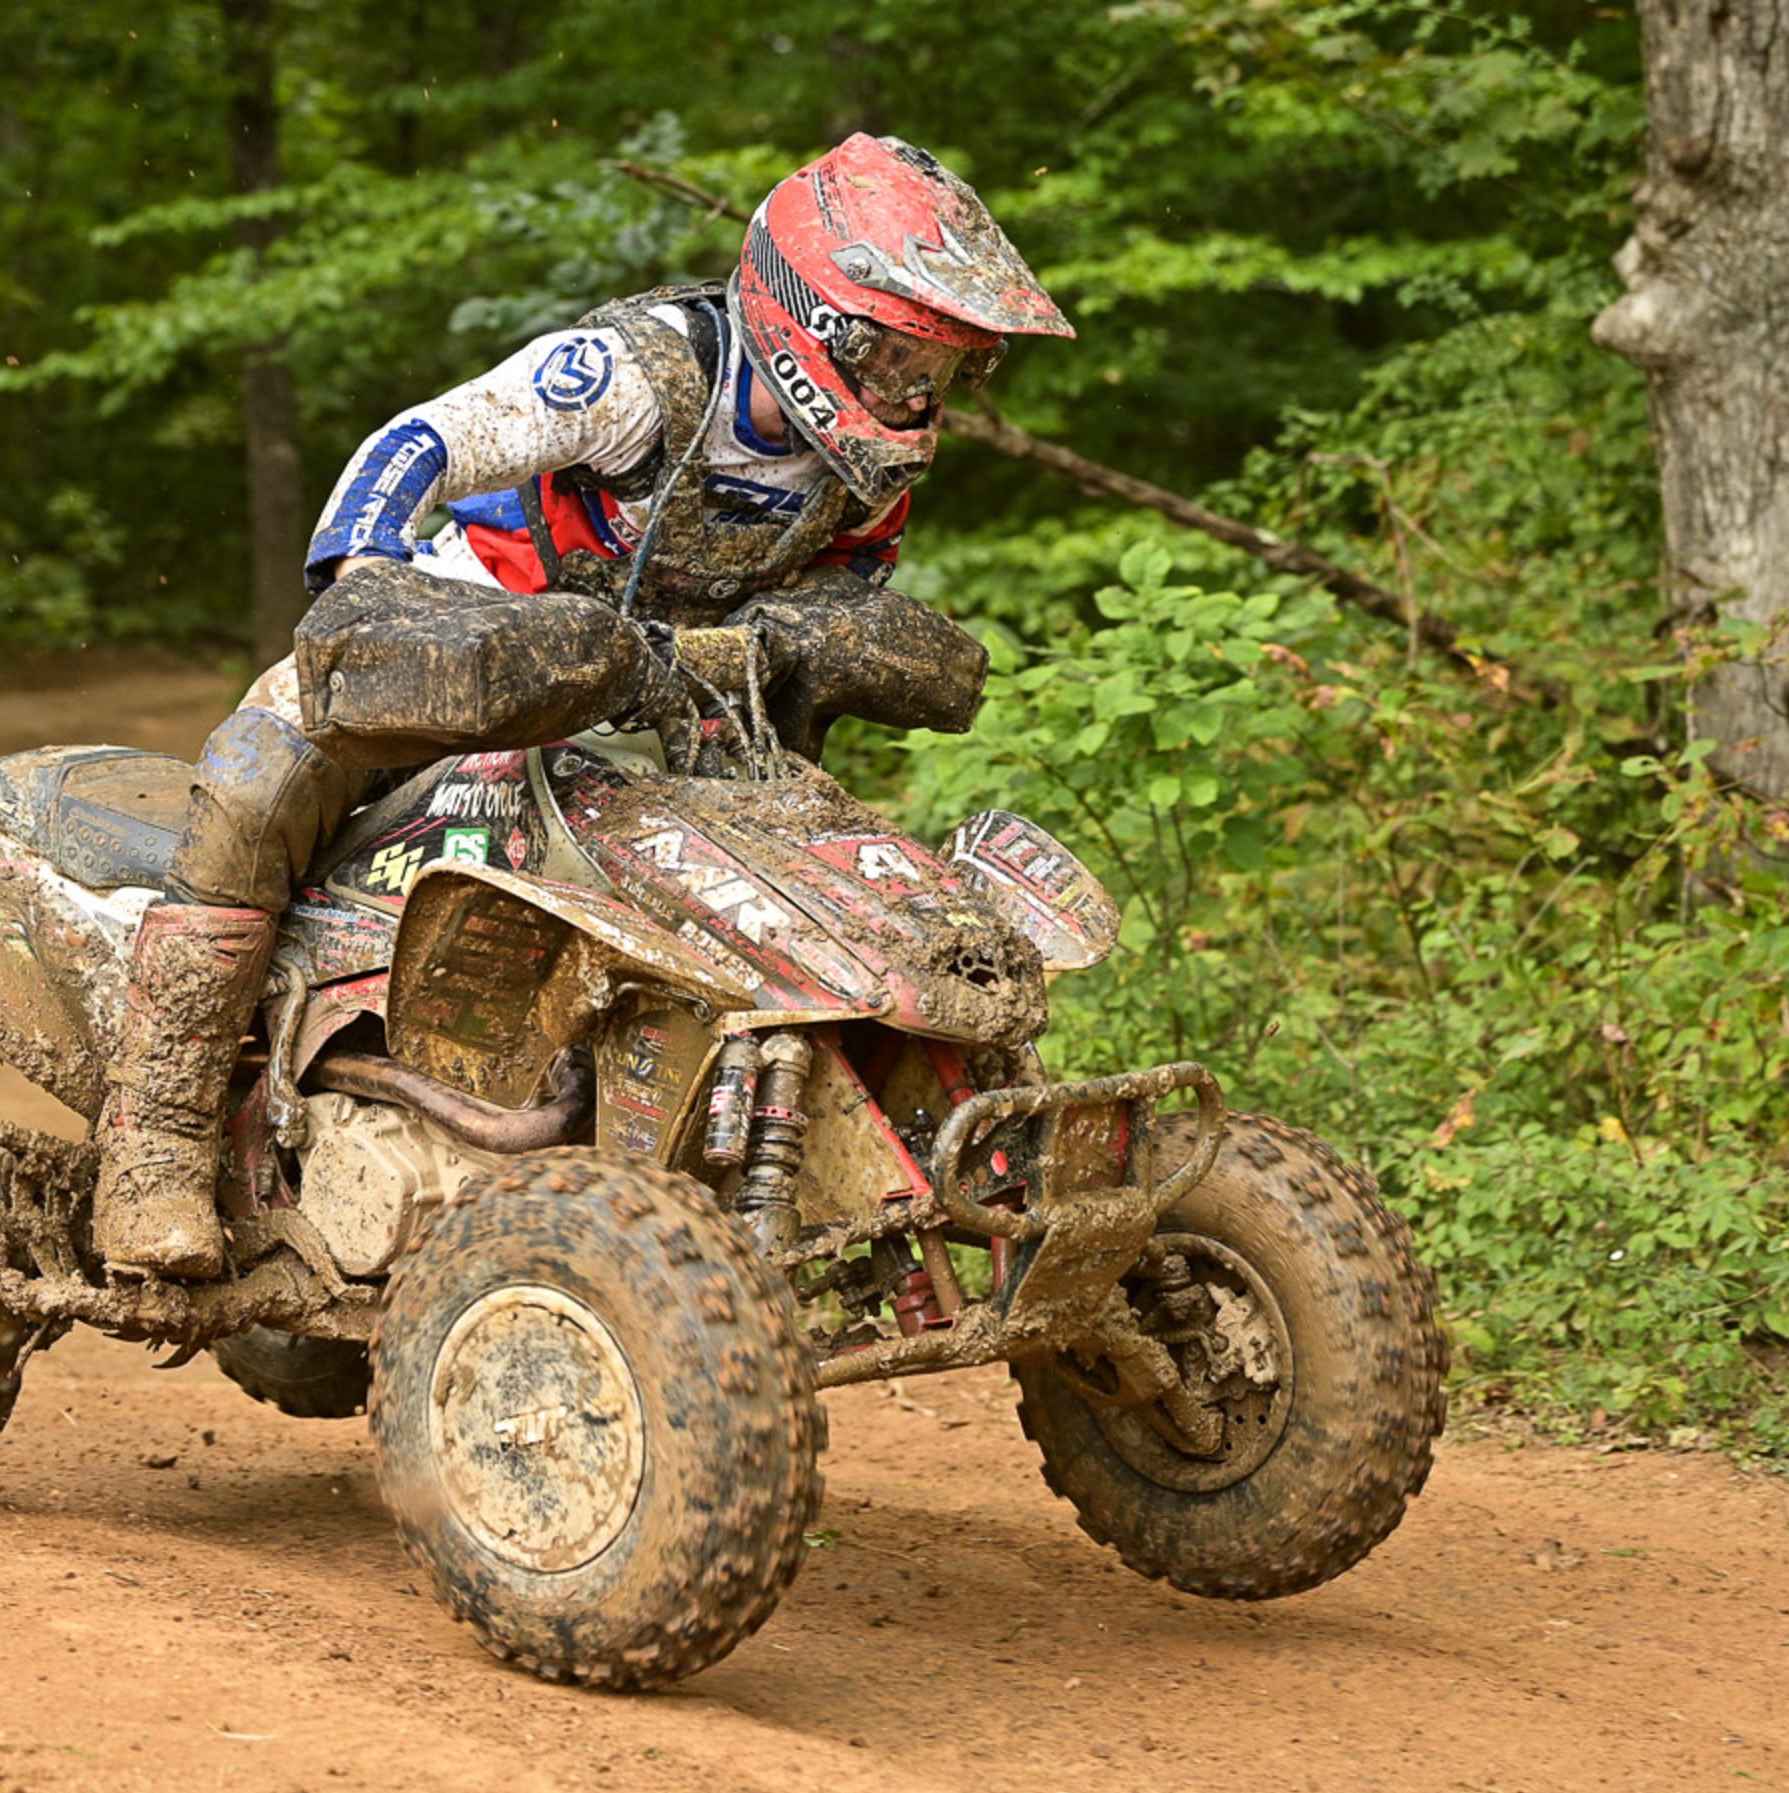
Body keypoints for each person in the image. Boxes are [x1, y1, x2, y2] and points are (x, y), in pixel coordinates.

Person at [91, 132, 1075, 1278]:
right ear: (814, 316)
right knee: (260, 781)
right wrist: (363, 578)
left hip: (663, 689)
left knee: (816, 882)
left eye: (944, 366)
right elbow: (419, 441)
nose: (920, 389)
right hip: (477, 630)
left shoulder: (861, 467)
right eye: (902, 354)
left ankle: (818, 1146)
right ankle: (153, 1150)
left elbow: (831, 604)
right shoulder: (634, 376)